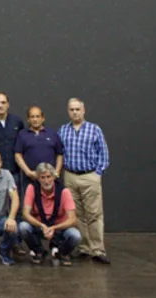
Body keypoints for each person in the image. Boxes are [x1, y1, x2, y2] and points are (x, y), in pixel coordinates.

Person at [59, 98, 110, 264]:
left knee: (94, 214)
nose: (75, 112)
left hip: (89, 176)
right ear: (68, 111)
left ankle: (97, 249)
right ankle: (84, 247)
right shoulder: (63, 130)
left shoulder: (94, 129)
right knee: (77, 214)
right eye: (72, 109)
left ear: (83, 110)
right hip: (70, 176)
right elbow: (60, 152)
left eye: (77, 109)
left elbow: (103, 152)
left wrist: (98, 173)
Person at [20, 162, 81, 265]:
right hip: (40, 226)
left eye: (48, 177)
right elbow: (25, 214)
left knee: (76, 235)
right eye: (42, 177)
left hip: (59, 228)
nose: (46, 181)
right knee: (23, 227)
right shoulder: (32, 188)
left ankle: (62, 253)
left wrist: (54, 228)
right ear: (38, 178)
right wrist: (41, 225)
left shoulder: (64, 191)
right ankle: (39, 251)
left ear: (53, 177)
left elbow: (73, 220)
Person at [14, 105, 63, 208]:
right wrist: (28, 172)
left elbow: (59, 154)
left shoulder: (52, 133)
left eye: (37, 116)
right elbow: (18, 155)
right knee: (30, 207)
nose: (35, 119)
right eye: (32, 117)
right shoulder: (22, 134)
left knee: (52, 207)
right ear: (28, 119)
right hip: (31, 179)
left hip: (50, 179)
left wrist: (57, 172)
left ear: (43, 118)